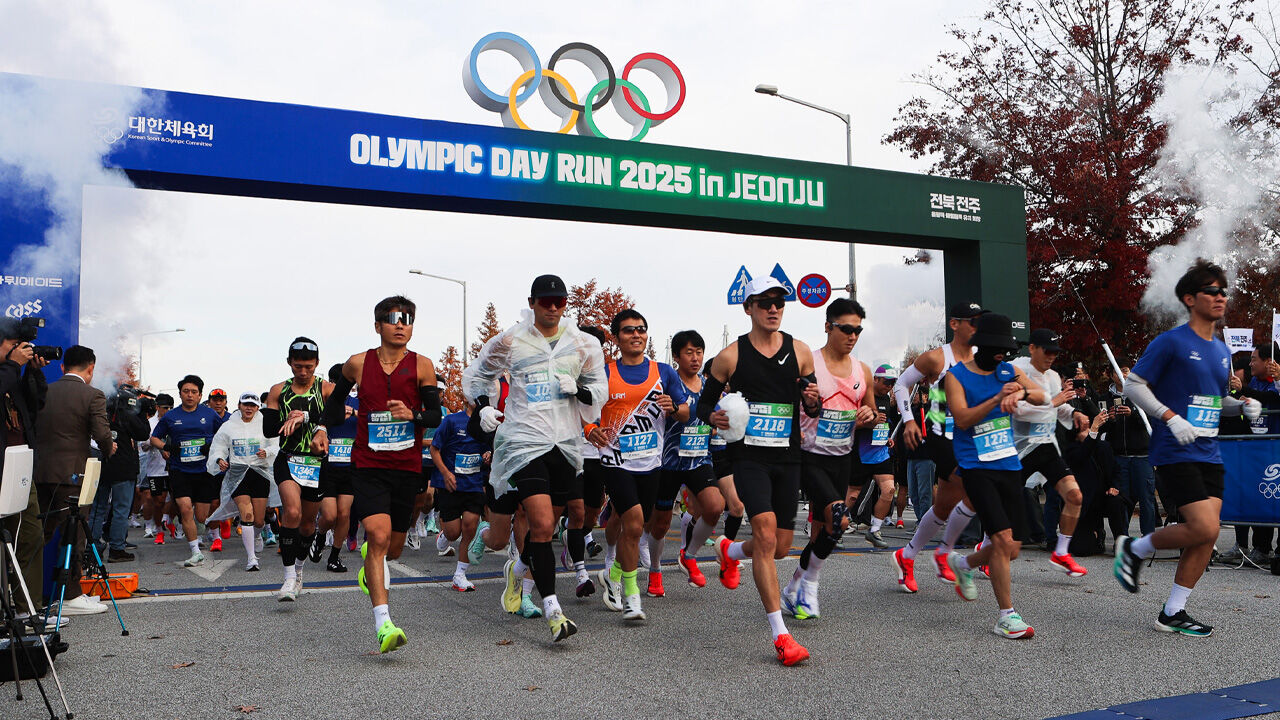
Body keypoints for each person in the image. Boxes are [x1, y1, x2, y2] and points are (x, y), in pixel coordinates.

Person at [1116, 259, 1262, 636]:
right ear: (1189, 298)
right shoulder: (1170, 342)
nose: (1220, 297)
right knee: (1202, 525)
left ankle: (1172, 612)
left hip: (1209, 451)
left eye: (1222, 291)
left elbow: (1214, 401)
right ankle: (1134, 548)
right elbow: (1132, 385)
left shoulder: (1220, 349)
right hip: (1174, 448)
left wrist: (1241, 405)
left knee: (1207, 534)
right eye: (1211, 291)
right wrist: (1168, 416)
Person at [463, 275, 607, 643]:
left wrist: (582, 389)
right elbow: (478, 375)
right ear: (532, 302)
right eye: (546, 301)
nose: (553, 307)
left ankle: (520, 572)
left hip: (566, 445)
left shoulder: (583, 344)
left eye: (559, 301)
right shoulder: (512, 340)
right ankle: (554, 611)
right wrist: (482, 408)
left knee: (549, 525)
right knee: (542, 525)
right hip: (526, 442)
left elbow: (600, 390)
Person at [698, 276, 822, 665]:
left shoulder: (800, 352)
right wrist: (714, 417)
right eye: (764, 302)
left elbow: (812, 406)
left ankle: (730, 550)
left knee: (779, 547)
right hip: (748, 458)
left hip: (788, 458)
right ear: (748, 307)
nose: (773, 308)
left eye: (779, 302)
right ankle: (781, 637)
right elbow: (703, 407)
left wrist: (813, 400)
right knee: (765, 533)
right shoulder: (730, 356)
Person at [324, 296, 442, 653]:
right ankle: (383, 623)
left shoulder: (423, 366)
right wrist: (325, 422)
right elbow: (332, 408)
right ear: (378, 325)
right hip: (368, 464)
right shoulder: (357, 364)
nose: (400, 324)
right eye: (392, 318)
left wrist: (414, 416)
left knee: (393, 548)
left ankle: (370, 567)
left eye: (407, 318)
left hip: (406, 467)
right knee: (377, 537)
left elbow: (434, 416)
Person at [941, 313, 1047, 639]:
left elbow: (1042, 396)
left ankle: (963, 565)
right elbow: (961, 418)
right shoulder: (956, 377)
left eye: (1006, 350)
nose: (1002, 355)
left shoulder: (1009, 371)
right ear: (979, 345)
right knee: (1000, 540)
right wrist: (997, 398)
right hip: (976, 466)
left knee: (1012, 547)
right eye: (996, 349)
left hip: (1009, 464)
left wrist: (1021, 393)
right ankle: (1007, 616)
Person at [588, 308, 688, 621]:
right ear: (616, 338)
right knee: (632, 524)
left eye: (641, 329)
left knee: (640, 524)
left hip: (650, 460)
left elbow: (686, 411)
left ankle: (613, 575)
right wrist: (591, 430)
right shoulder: (604, 373)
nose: (636, 335)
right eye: (629, 330)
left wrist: (675, 408)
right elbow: (582, 412)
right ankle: (632, 597)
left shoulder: (664, 372)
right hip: (615, 459)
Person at [782, 298, 876, 620]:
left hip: (842, 456)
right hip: (808, 454)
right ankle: (809, 586)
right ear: (828, 327)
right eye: (846, 329)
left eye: (857, 330)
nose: (852, 336)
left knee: (827, 531)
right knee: (841, 520)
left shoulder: (863, 371)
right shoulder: (810, 362)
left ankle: (794, 586)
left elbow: (873, 411)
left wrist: (869, 414)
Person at [889, 303, 987, 593]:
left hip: (972, 437)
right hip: (941, 435)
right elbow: (900, 385)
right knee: (974, 488)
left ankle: (906, 555)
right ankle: (945, 551)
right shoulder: (935, 358)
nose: (976, 326)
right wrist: (908, 421)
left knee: (944, 506)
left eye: (980, 321)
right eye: (971, 321)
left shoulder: (982, 358)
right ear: (955, 324)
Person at [36, 344, 113, 616]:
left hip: (40, 473)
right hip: (74, 476)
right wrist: (109, 449)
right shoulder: (92, 394)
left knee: (37, 535)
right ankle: (70, 595)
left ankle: (22, 593)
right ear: (91, 368)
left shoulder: (44, 390)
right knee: (75, 534)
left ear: (62, 367)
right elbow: (102, 434)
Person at [1009, 329, 1090, 576]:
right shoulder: (1017, 369)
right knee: (1004, 509)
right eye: (1048, 350)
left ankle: (1061, 552)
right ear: (1032, 348)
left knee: (1075, 496)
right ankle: (985, 551)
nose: (1052, 356)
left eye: (1056, 352)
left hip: (1046, 446)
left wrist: (1074, 413)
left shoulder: (1054, 376)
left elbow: (1059, 408)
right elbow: (1018, 410)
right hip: (1020, 449)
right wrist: (1055, 402)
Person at [263, 337, 338, 601]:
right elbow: (269, 429)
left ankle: (299, 569)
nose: (303, 372)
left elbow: (340, 415)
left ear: (317, 364)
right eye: (298, 366)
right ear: (289, 363)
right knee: (291, 512)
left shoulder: (327, 389)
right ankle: (287, 579)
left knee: (308, 525)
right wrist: (288, 418)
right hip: (288, 458)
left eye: (308, 366)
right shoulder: (277, 391)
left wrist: (306, 416)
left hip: (316, 463)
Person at [655, 330, 725, 593]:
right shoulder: (668, 387)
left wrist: (719, 425)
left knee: (715, 506)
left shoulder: (709, 388)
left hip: (699, 459)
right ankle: (655, 570)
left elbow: (714, 419)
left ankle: (689, 554)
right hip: (668, 462)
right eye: (689, 352)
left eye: (699, 352)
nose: (695, 358)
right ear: (676, 356)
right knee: (660, 524)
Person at [0, 320, 49, 625]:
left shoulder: (13, 372)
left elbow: (36, 404)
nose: (19, 350)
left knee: (30, 533)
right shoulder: (7, 372)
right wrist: (12, 367)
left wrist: (32, 371)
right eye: (12, 344)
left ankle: (27, 608)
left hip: (18, 464)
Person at [150, 375, 227, 567]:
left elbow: (224, 436)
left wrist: (211, 447)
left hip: (204, 471)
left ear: (200, 395)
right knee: (185, 509)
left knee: (201, 516)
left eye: (194, 392)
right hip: (180, 470)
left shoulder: (210, 415)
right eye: (186, 391)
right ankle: (195, 551)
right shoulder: (171, 416)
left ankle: (200, 531)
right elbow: (154, 438)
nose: (190, 395)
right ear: (180, 394)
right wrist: (165, 447)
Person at [207, 393, 278, 571]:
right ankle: (252, 558)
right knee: (247, 515)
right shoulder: (228, 426)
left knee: (259, 521)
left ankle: (256, 535)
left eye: (252, 405)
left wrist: (267, 452)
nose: (249, 408)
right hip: (238, 473)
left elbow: (277, 444)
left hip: (260, 473)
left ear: (257, 407)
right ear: (239, 405)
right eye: (245, 404)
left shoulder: (265, 424)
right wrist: (219, 460)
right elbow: (218, 447)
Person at [428, 400, 491, 591]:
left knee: (470, 526)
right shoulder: (451, 421)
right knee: (454, 532)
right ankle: (445, 534)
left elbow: (490, 448)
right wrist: (446, 473)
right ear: (466, 399)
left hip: (473, 483)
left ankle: (460, 575)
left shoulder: (488, 424)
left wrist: (488, 454)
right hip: (451, 484)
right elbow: (434, 448)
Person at [89, 384, 151, 562]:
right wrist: (142, 412)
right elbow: (143, 433)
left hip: (102, 464)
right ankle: (117, 548)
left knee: (98, 508)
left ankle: (92, 548)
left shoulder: (102, 415)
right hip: (123, 466)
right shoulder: (127, 415)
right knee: (121, 509)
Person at [1099, 365, 1157, 536]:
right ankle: (1121, 538)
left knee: (1146, 500)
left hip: (1142, 456)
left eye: (1125, 370)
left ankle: (1148, 539)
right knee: (1121, 499)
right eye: (1117, 371)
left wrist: (1133, 414)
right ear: (1111, 375)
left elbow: (1152, 422)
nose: (1122, 374)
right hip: (1119, 457)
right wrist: (1110, 420)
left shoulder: (1142, 395)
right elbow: (1101, 428)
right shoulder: (1105, 398)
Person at [318, 363, 358, 573]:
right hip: (327, 467)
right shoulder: (325, 403)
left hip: (350, 468)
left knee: (344, 515)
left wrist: (357, 412)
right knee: (330, 516)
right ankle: (320, 534)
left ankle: (334, 557)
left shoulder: (358, 402)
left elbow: (374, 422)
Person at [857, 356, 899, 549]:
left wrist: (888, 437)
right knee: (851, 496)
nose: (889, 386)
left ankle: (874, 530)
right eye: (886, 382)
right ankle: (836, 530)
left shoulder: (887, 398)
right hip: (860, 451)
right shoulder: (863, 395)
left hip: (880, 451)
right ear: (875, 379)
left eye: (893, 383)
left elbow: (885, 423)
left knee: (889, 490)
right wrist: (869, 422)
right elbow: (854, 423)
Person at [141, 393, 174, 543]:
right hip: (155, 468)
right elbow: (144, 446)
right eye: (165, 408)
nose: (168, 410)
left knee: (179, 499)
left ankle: (171, 522)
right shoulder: (149, 423)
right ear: (157, 407)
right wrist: (152, 442)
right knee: (158, 501)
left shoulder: (175, 420)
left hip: (174, 467)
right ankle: (158, 529)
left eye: (170, 408)